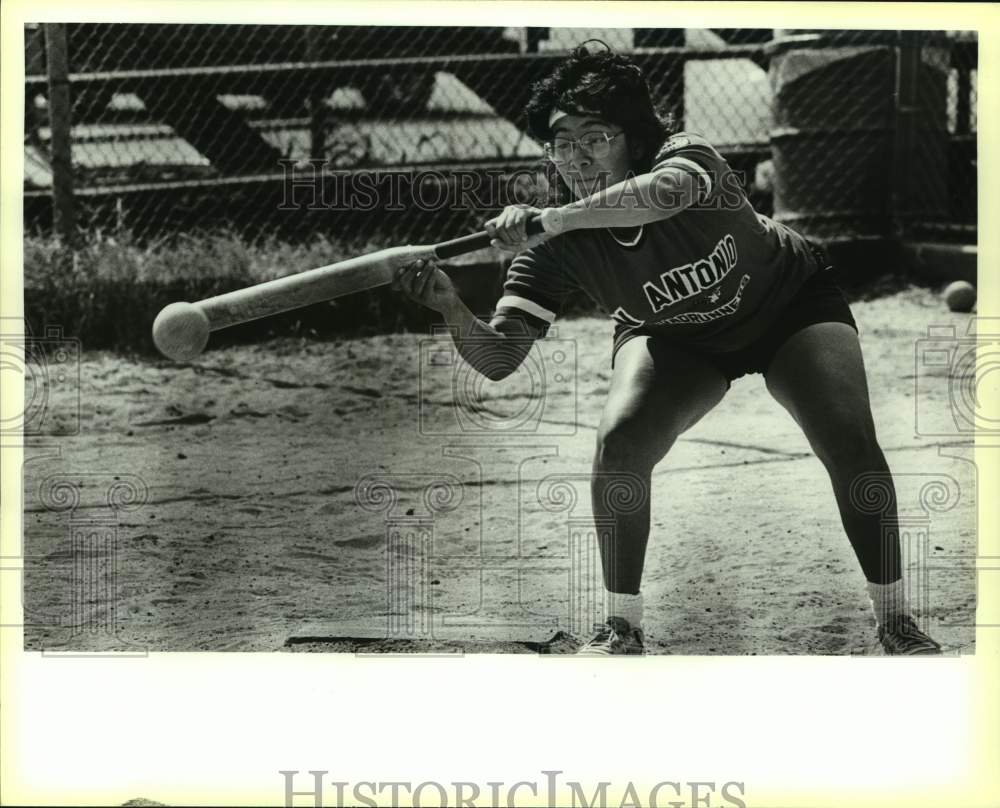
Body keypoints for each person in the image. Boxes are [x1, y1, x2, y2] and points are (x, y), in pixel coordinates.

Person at [392, 42, 942, 656]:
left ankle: (896, 620)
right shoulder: (554, 245)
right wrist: (448, 303)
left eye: (594, 137)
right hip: (677, 337)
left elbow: (665, 195)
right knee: (621, 442)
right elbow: (499, 360)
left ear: (632, 136)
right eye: (561, 142)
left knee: (847, 436)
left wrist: (553, 219)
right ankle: (622, 627)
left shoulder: (685, 159)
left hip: (787, 304)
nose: (575, 157)